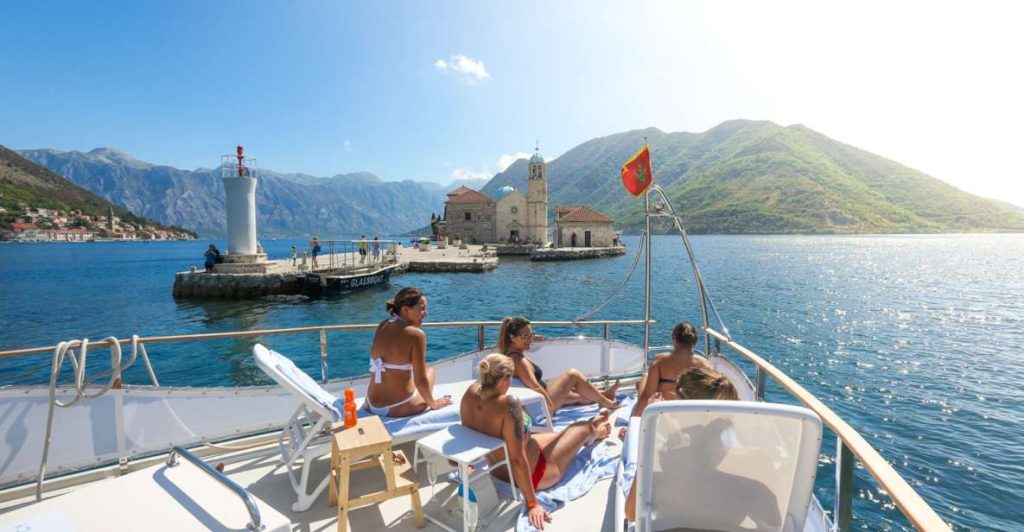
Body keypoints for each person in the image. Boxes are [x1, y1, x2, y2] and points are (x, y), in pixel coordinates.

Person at [462, 354, 612, 530]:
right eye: (510, 378)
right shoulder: (508, 405)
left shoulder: (471, 394)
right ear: (503, 379)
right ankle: (594, 432)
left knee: (560, 434)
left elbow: (467, 434)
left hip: (498, 470)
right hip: (535, 474)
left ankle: (581, 431)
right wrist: (532, 504)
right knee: (582, 428)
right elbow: (518, 460)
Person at [623, 367, 740, 522]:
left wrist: (649, 436)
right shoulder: (750, 461)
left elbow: (632, 514)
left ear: (681, 408)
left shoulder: (664, 463)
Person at [498, 317, 620, 415]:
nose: (529, 339)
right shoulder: (519, 361)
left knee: (575, 395)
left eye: (530, 335)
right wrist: (549, 408)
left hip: (539, 398)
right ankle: (605, 402)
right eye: (525, 336)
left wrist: (531, 339)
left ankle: (604, 395)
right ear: (512, 338)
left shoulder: (508, 353)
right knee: (572, 375)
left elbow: (534, 385)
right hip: (543, 404)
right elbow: (535, 387)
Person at [364, 287, 453, 417]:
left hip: (370, 403)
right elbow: (421, 381)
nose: (426, 313)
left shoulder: (383, 325)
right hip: (397, 407)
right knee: (430, 372)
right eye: (422, 309)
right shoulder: (416, 335)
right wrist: (434, 404)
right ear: (406, 310)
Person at [631, 321, 712, 418]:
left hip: (665, 412)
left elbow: (647, 395)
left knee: (646, 376)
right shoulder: (705, 364)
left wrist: (636, 420)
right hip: (690, 414)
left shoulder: (660, 360)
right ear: (694, 341)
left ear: (674, 339)